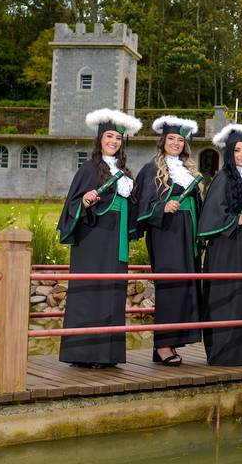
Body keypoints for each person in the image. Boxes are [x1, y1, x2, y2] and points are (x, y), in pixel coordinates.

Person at [57, 108, 142, 369]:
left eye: (118, 137)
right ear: (99, 139)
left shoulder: (126, 173)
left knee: (112, 293)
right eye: (109, 136)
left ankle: (107, 355)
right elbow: (72, 204)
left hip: (116, 240)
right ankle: (83, 354)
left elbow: (132, 207)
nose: (113, 141)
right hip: (93, 240)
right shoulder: (89, 168)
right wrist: (84, 200)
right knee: (90, 291)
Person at [133, 115, 203, 366]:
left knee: (185, 286)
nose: (176, 143)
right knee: (170, 286)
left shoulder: (189, 170)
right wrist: (163, 207)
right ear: (163, 141)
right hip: (166, 233)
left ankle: (172, 342)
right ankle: (163, 345)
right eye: (171, 138)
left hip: (188, 233)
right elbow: (142, 205)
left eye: (180, 140)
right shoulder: (152, 168)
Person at [197, 123, 242, 366]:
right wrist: (236, 219)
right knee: (227, 296)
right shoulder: (223, 178)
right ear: (229, 153)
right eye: (237, 151)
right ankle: (225, 353)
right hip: (225, 249)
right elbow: (212, 216)